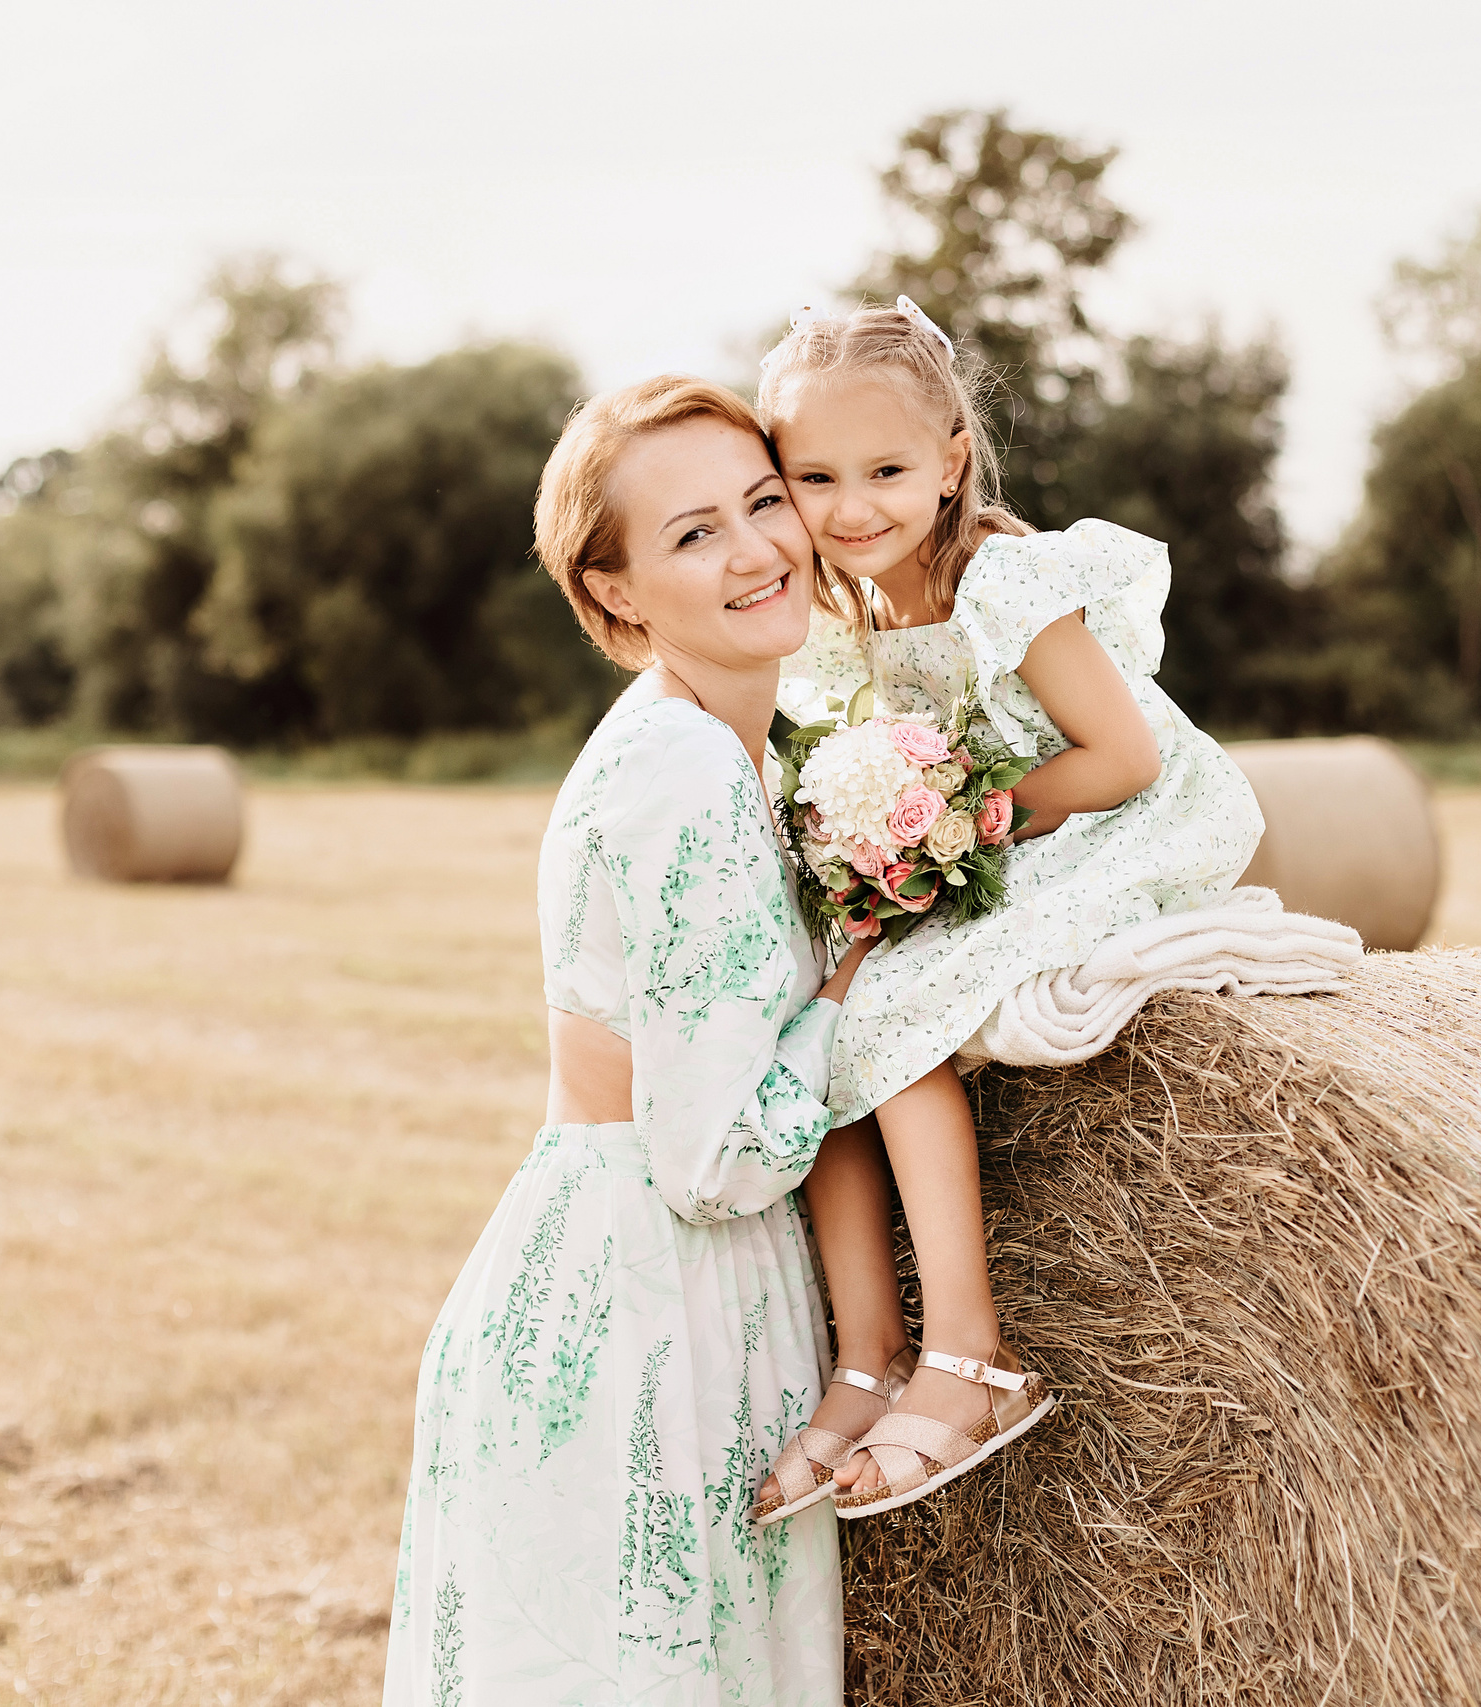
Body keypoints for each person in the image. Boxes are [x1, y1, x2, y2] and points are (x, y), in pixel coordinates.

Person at [383, 376, 871, 1707]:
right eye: (694, 533)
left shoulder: (726, 747)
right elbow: (713, 1152)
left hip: (655, 1276)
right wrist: (867, 992)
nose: (760, 547)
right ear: (616, 596)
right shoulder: (684, 769)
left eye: (766, 501)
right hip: (650, 1304)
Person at [749, 299, 1262, 1521]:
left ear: (949, 462)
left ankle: (971, 1355)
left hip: (1105, 822)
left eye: (884, 470)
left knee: (902, 1002)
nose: (851, 505)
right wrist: (881, 848)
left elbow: (1122, 758)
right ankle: (866, 1358)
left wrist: (952, 822)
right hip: (984, 834)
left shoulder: (1003, 578)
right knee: (816, 1012)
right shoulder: (852, 622)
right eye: (813, 477)